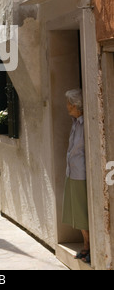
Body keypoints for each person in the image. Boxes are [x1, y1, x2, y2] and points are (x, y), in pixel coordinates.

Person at [62, 89, 90, 264]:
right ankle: (86, 245)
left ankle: (89, 246)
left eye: (68, 104)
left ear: (75, 105)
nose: (66, 107)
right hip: (71, 172)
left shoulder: (85, 123)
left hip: (82, 174)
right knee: (76, 212)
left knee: (82, 212)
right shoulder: (75, 122)